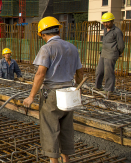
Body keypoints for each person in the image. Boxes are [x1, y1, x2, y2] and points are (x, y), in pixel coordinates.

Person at [23, 16, 83, 163]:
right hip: (69, 92)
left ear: (43, 34)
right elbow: (80, 73)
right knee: (66, 128)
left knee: (50, 129)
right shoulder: (72, 47)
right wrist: (79, 90)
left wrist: (31, 96)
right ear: (58, 30)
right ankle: (66, 159)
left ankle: (54, 161)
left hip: (52, 94)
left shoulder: (47, 48)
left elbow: (40, 74)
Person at [95, 12, 124, 95]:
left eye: (107, 22)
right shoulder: (104, 30)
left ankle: (109, 89)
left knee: (108, 73)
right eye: (104, 22)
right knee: (99, 71)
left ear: (112, 21)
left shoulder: (117, 31)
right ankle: (98, 86)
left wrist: (117, 53)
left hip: (111, 54)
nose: (105, 24)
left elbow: (121, 45)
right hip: (103, 53)